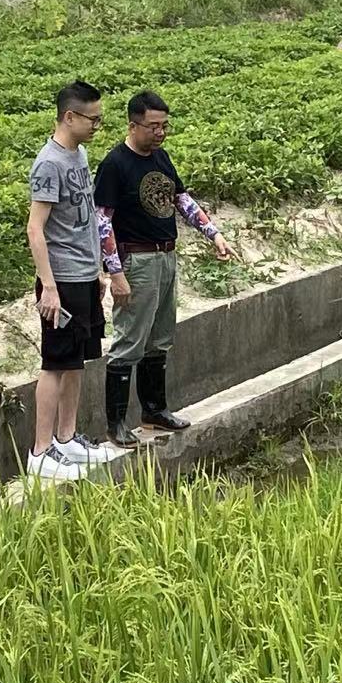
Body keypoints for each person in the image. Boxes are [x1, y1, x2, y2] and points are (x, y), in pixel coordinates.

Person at [94, 90, 233, 448]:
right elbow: (102, 223)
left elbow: (181, 200)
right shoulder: (115, 165)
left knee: (160, 338)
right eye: (153, 126)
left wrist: (213, 234)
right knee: (129, 341)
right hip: (136, 260)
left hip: (166, 255)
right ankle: (116, 424)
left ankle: (154, 409)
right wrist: (115, 273)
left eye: (164, 126)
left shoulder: (162, 158)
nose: (160, 133)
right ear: (133, 125)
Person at [26, 80, 124, 480]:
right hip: (61, 279)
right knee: (55, 362)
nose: (97, 126)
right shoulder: (49, 163)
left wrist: (99, 269)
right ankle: (41, 451)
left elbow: (87, 220)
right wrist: (48, 286)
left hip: (83, 274)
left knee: (78, 360)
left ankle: (66, 440)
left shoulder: (79, 154)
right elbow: (36, 229)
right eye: (93, 119)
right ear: (70, 116)